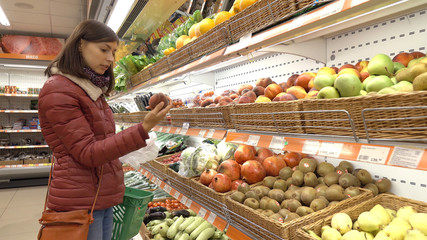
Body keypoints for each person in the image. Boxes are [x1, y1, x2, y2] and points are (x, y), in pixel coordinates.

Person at [38, 20, 171, 240]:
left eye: (113, 52)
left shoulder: (91, 89)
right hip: (80, 201)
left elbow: (103, 142)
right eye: (103, 50)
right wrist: (143, 128)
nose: (110, 59)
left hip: (100, 195)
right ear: (80, 45)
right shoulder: (59, 90)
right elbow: (88, 152)